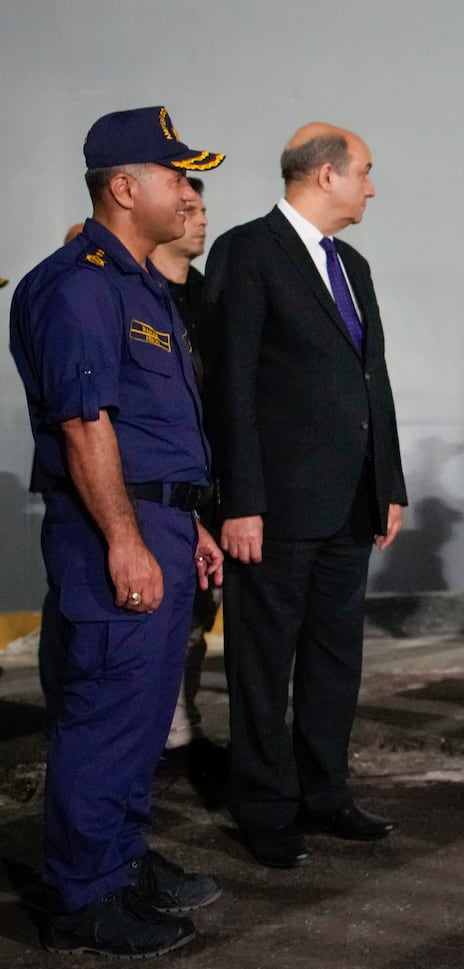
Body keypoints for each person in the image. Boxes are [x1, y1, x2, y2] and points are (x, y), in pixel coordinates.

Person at [8, 106, 226, 957]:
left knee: (138, 716)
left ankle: (120, 860)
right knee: (104, 715)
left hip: (158, 520)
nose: (187, 190)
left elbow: (156, 430)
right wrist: (128, 539)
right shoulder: (79, 284)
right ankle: (80, 897)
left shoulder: (141, 286)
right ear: (125, 187)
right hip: (113, 530)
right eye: (176, 176)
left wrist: (185, 522)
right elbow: (85, 425)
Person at [203, 123, 407, 869]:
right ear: (325, 174)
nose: (372, 187)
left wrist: (388, 481)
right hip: (275, 508)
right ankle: (263, 804)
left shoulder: (351, 263)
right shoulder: (246, 252)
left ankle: (326, 792)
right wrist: (240, 499)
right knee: (264, 663)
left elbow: (370, 379)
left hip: (350, 503)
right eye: (366, 171)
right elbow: (230, 385)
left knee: (333, 660)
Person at [149, 177, 219, 754]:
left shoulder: (212, 296)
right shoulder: (134, 292)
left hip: (205, 487)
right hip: (150, 491)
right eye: (188, 208)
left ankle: (180, 729)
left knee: (196, 617)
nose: (200, 219)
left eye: (202, 209)